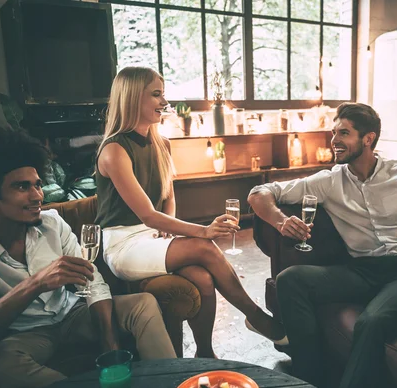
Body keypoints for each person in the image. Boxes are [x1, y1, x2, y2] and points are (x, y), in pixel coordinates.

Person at [248, 102, 397, 388]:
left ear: (368, 139)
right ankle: (309, 382)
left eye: (344, 133)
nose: (334, 140)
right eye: (333, 132)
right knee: (290, 279)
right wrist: (281, 221)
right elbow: (259, 193)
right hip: (362, 271)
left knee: (370, 322)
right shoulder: (328, 181)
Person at [95, 66, 286, 359]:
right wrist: (203, 230)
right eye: (156, 95)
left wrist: (169, 228)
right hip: (124, 243)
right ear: (133, 98)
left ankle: (205, 353)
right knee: (204, 247)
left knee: (203, 278)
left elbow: (167, 198)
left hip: (153, 237)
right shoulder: (114, 151)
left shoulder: (161, 143)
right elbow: (147, 214)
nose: (164, 102)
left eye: (163, 94)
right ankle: (258, 318)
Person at [0, 128, 177, 388]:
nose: (37, 196)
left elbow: (93, 280)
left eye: (37, 184)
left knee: (144, 304)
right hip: (23, 334)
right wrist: (35, 284)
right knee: (0, 366)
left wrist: (109, 344)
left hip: (71, 315)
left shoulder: (53, 223)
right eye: (22, 187)